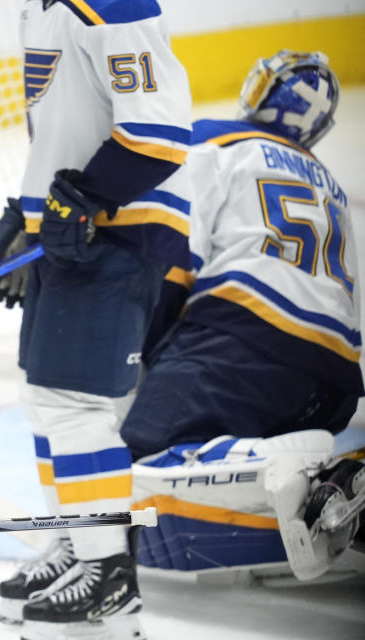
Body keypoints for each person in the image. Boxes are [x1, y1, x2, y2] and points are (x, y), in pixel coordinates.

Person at [0, 1, 192, 637]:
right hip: (74, 230)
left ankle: (109, 576)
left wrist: (85, 198)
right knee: (45, 400)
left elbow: (158, 133)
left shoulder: (113, 3)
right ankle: (79, 543)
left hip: (116, 231)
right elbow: (67, 133)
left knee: (74, 404)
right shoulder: (39, 11)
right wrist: (26, 215)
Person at [120, 50, 364, 580]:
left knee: (137, 459)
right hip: (335, 386)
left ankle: (264, 460)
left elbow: (173, 252)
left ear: (258, 89)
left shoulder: (215, 141)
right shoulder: (333, 187)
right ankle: (337, 486)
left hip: (241, 353)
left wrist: (148, 355)